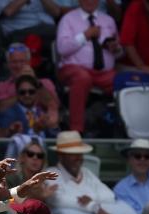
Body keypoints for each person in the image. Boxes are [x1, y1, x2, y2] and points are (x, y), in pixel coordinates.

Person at [45, 131, 146, 214]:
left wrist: (91, 201)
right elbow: (59, 200)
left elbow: (109, 196)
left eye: (80, 153)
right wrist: (93, 207)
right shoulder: (50, 174)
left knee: (126, 212)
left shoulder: (86, 172)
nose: (78, 158)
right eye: (73, 154)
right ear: (61, 156)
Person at [56, 0, 121, 134]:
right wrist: (85, 35)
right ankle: (76, 130)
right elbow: (62, 48)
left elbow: (120, 53)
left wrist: (116, 48)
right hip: (73, 68)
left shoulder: (108, 20)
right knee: (82, 78)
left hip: (103, 73)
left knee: (123, 80)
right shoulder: (68, 19)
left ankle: (120, 129)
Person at [0, 42, 59, 118]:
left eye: (22, 61)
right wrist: (22, 90)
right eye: (14, 62)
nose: (18, 66)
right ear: (8, 64)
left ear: (29, 63)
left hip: (42, 124)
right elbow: (1, 109)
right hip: (15, 125)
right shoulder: (2, 87)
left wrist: (35, 82)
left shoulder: (45, 83)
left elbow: (54, 106)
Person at [0, 74, 59, 139]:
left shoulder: (42, 112)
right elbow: (2, 144)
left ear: (37, 93)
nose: (27, 95)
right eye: (22, 92)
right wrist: (34, 131)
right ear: (17, 94)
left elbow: (54, 140)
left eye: (31, 92)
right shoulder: (8, 114)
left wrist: (53, 126)